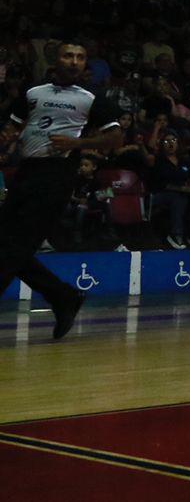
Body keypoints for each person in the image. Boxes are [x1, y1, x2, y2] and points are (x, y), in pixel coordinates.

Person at [0, 40, 123, 339]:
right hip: (26, 171)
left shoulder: (92, 97)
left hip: (57, 175)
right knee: (6, 244)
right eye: (69, 56)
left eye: (80, 57)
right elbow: (13, 127)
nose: (74, 61)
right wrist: (6, 138)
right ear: (56, 60)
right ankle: (64, 297)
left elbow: (116, 138)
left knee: (14, 248)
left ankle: (64, 297)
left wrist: (78, 144)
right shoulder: (33, 92)